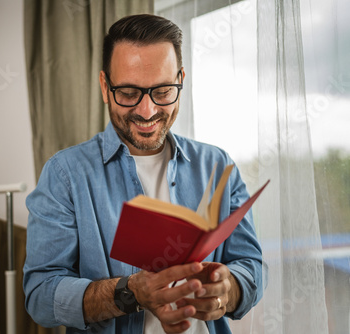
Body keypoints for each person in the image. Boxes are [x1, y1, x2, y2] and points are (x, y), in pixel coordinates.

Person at [23, 14, 263, 334]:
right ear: (105, 86)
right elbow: (40, 296)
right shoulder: (64, 175)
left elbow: (252, 268)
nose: (146, 111)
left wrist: (227, 290)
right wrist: (130, 293)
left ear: (181, 80)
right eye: (128, 92)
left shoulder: (218, 166)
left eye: (163, 91)